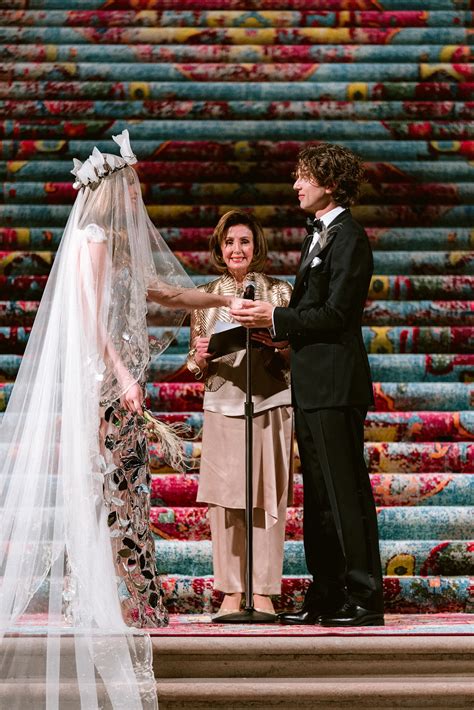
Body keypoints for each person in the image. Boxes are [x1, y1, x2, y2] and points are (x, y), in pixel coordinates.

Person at [0, 131, 242, 708]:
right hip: (103, 384)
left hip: (114, 383)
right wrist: (123, 373)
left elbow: (164, 293)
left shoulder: (118, 245)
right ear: (114, 189)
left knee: (131, 488)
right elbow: (87, 313)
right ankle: (112, 597)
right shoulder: (93, 237)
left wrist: (219, 299)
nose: (138, 196)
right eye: (131, 185)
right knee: (115, 488)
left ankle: (133, 594)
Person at [232, 143, 384, 627]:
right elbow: (313, 317)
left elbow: (339, 314)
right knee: (319, 496)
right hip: (313, 383)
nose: (296, 185)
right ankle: (327, 594)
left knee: (345, 492)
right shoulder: (317, 235)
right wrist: (279, 338)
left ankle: (364, 597)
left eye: (304, 177)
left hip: (337, 384)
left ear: (331, 184)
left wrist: (275, 316)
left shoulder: (349, 237)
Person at [186, 209, 293, 618]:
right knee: (226, 502)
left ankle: (263, 590)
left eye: (244, 241)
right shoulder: (205, 297)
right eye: (229, 242)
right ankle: (231, 590)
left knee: (268, 497)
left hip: (270, 402)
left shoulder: (279, 293)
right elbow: (195, 365)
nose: (236, 249)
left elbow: (295, 349)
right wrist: (198, 356)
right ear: (219, 247)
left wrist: (279, 344)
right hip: (222, 403)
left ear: (256, 247)